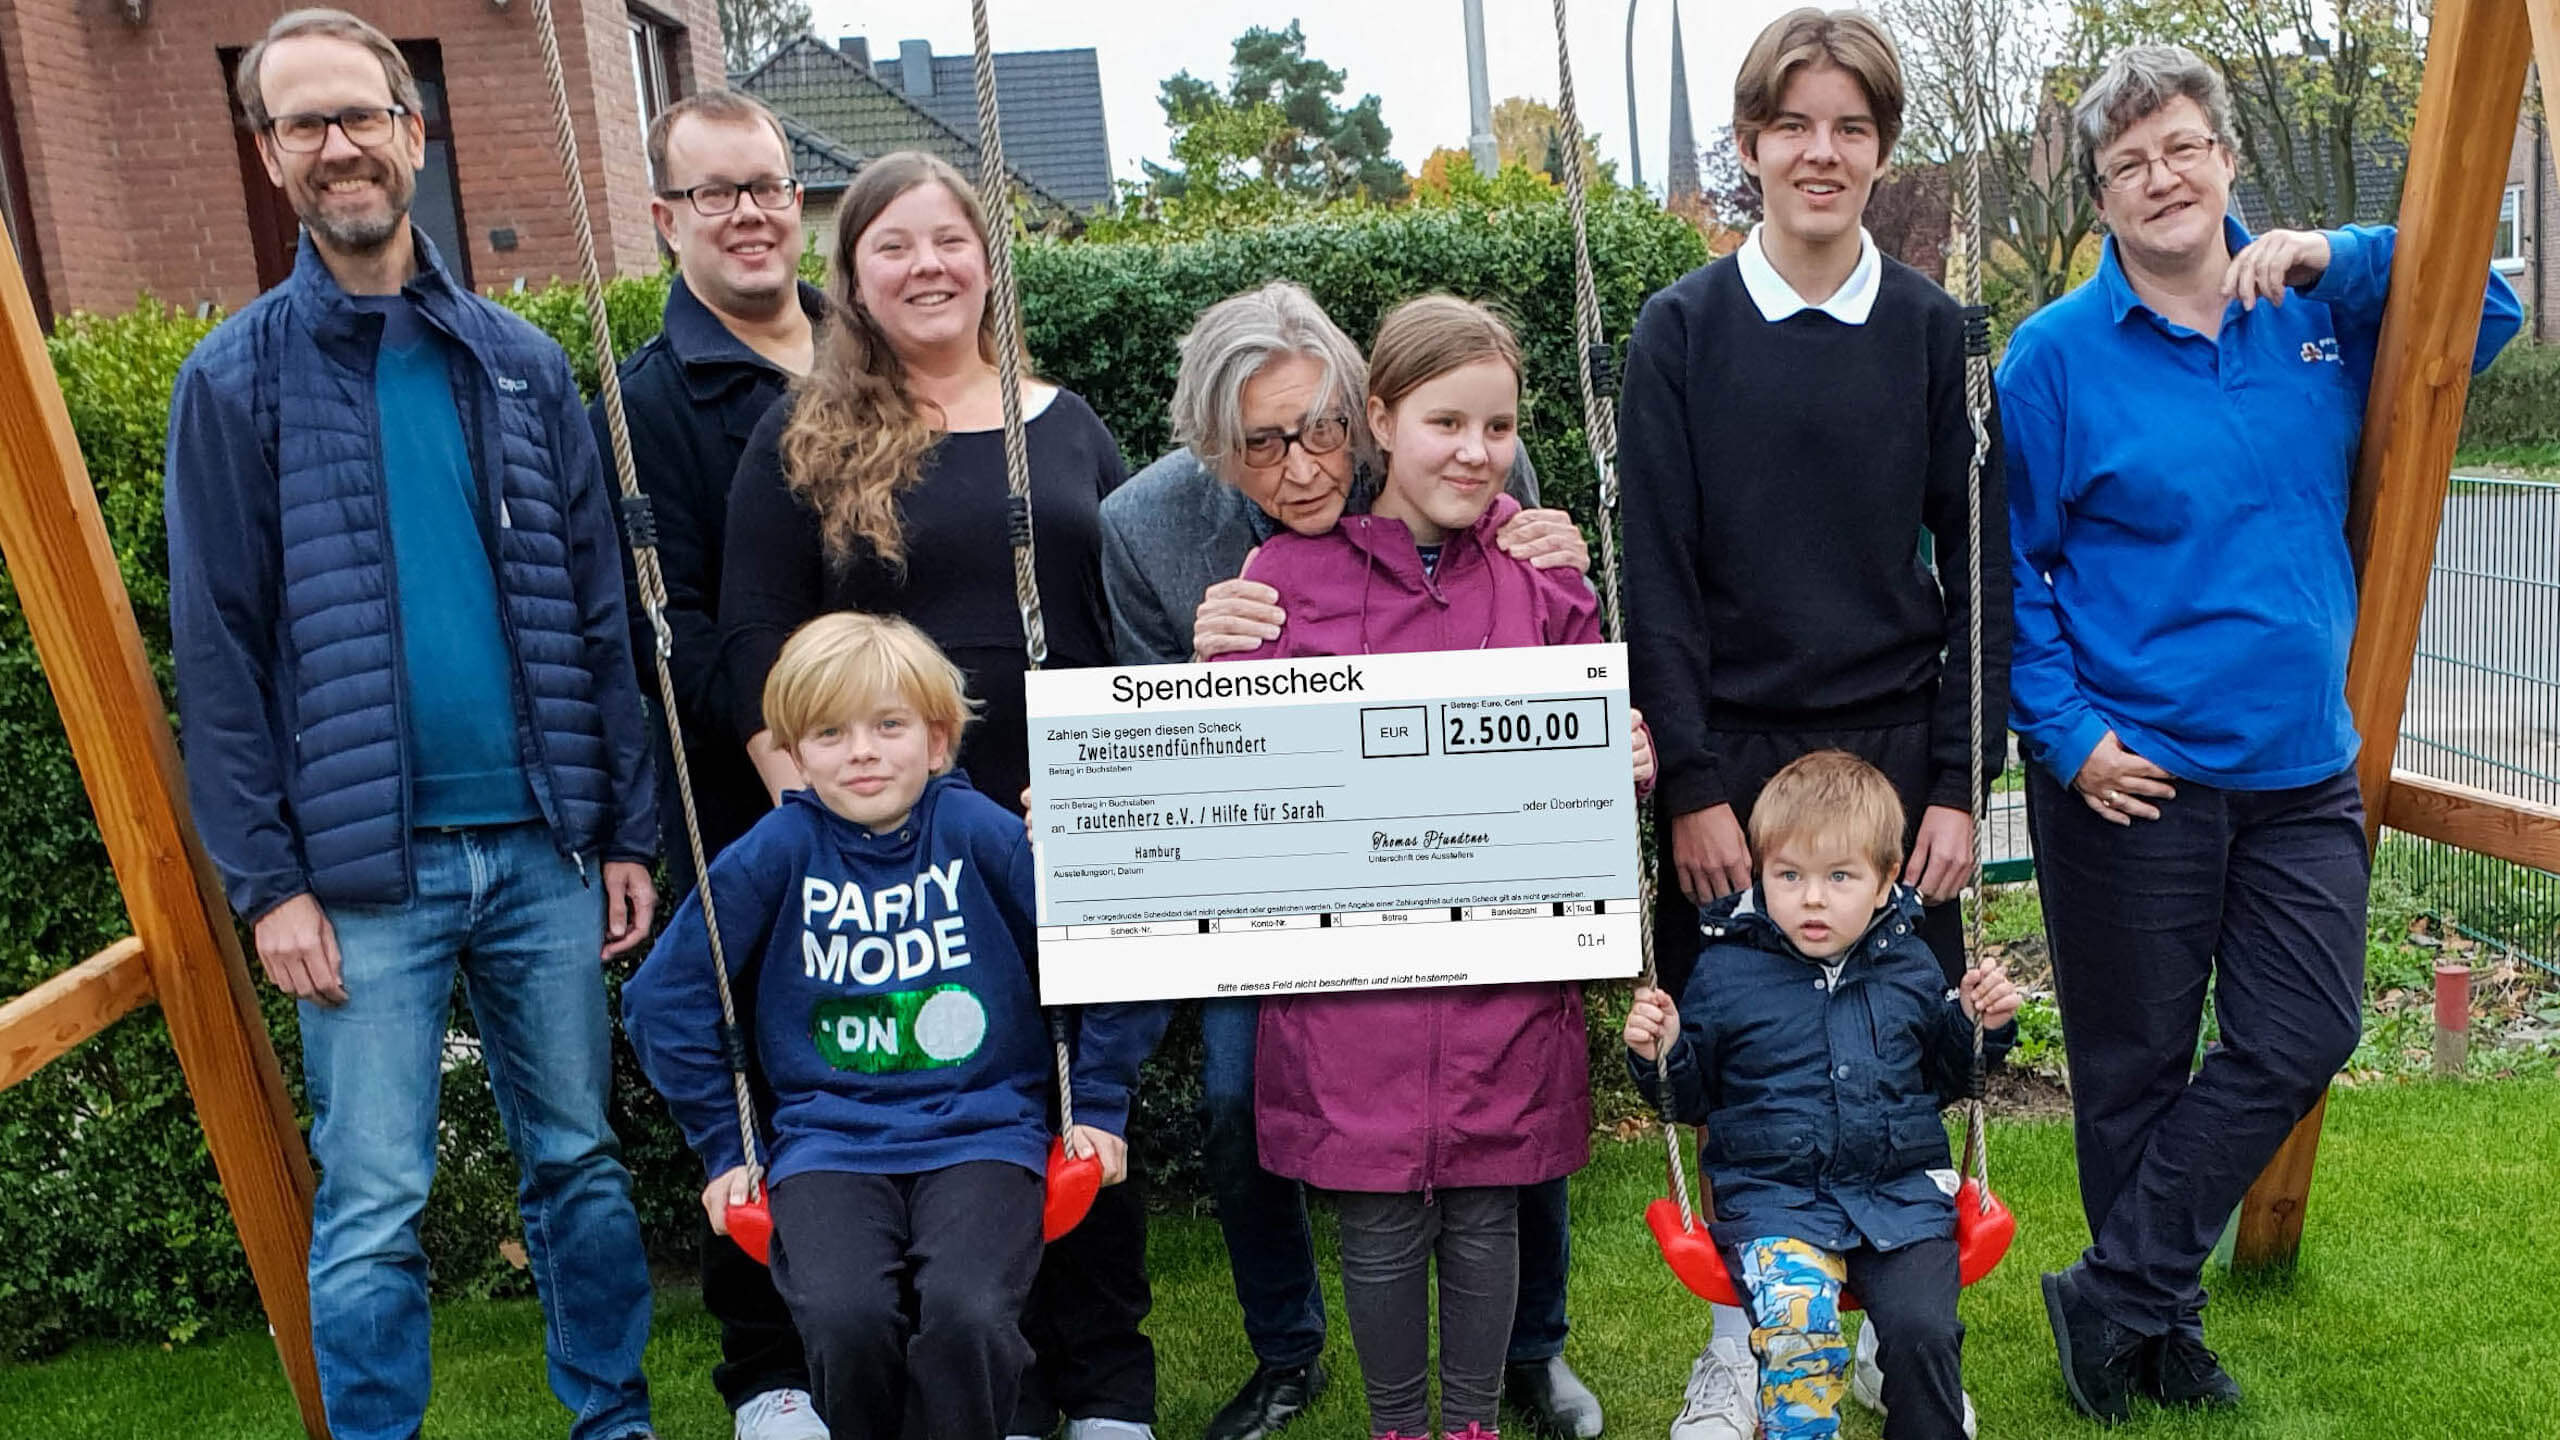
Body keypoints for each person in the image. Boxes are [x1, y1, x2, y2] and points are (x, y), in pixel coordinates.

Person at [1997, 45, 2521, 1423]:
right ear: (2102, 197)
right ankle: (2155, 1332)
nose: (2160, 179)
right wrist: (2067, 736)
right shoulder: (2051, 359)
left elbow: (2499, 304)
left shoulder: (2321, 310)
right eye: (2127, 165)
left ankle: (2110, 1288)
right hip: (2135, 776)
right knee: (2130, 1069)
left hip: (2299, 768)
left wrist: (2340, 257)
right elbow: (2013, 570)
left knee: (2305, 1030)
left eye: (2181, 147)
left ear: (2226, 156)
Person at [164, 12, 658, 1440]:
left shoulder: (517, 362)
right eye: (303, 124)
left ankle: (610, 1423)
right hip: (362, 884)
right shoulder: (232, 381)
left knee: (578, 1163)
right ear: (269, 156)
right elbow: (222, 652)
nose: (338, 146)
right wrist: (271, 884)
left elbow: (594, 617)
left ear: (413, 130)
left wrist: (623, 826)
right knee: (375, 1198)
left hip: (546, 852)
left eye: (359, 115)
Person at [1100, 281, 1609, 1440]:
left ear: (1358, 414)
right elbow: (1177, 766)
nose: (1297, 464)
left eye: (1314, 429)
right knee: (1269, 1121)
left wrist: (1609, 726)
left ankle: (1526, 1360)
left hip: (1492, 944)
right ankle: (1295, 1357)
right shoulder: (1179, 544)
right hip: (1308, 936)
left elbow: (1575, 683)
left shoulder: (1500, 514)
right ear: (1213, 452)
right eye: (1260, 444)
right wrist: (1184, 688)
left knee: (1501, 1160)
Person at [718, 150, 1161, 1440]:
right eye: (892, 246)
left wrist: (1120, 794)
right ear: (852, 276)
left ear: (987, 256)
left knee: (1078, 1102)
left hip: (1060, 821)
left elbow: (1123, 617)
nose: (927, 266)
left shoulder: (1068, 424)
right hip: (889, 838)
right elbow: (751, 638)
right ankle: (982, 1398)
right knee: (943, 1082)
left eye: (948, 240)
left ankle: (1105, 1392)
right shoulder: (804, 430)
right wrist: (829, 817)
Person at [1617, 10, 2011, 1434]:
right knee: (1745, 1043)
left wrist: (1963, 783)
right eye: (1795, 126)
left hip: (1898, 752)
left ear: (1881, 151)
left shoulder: (1928, 331)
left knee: (1899, 1045)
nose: (1821, 152)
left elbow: (1975, 565)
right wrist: (1696, 789)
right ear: (1751, 146)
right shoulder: (1680, 331)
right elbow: (1652, 575)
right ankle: (1748, 1331)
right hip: (1736, 758)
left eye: (1851, 128)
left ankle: (1912, 1342)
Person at [623, 613, 1164, 1440]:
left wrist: (1095, 1105)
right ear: (796, 756)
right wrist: (727, 1148)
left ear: (938, 742)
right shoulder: (778, 851)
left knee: (969, 1311)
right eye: (831, 733)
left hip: (984, 1132)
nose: (862, 752)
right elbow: (664, 998)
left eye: (888, 726)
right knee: (845, 1316)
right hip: (828, 1141)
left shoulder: (982, 834)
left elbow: (1115, 950)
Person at [593, 88, 828, 1440]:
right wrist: (777, 748)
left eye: (768, 185)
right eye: (716, 193)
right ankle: (772, 1376)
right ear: (668, 216)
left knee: (913, 1059)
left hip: (913, 782)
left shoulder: (875, 357)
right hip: (744, 799)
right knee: (763, 1070)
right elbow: (660, 618)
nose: (749, 213)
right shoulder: (647, 401)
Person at [1623, 751, 2020, 1440]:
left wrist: (1979, 1027)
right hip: (1777, 1203)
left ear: (1884, 880)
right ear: (1760, 872)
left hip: (1899, 1199)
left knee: (1926, 1332)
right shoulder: (1725, 973)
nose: (1812, 898)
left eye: (1839, 877)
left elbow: (1947, 1077)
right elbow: (1690, 1100)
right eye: (1789, 875)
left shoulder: (1910, 964)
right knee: (1800, 1334)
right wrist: (1662, 1054)